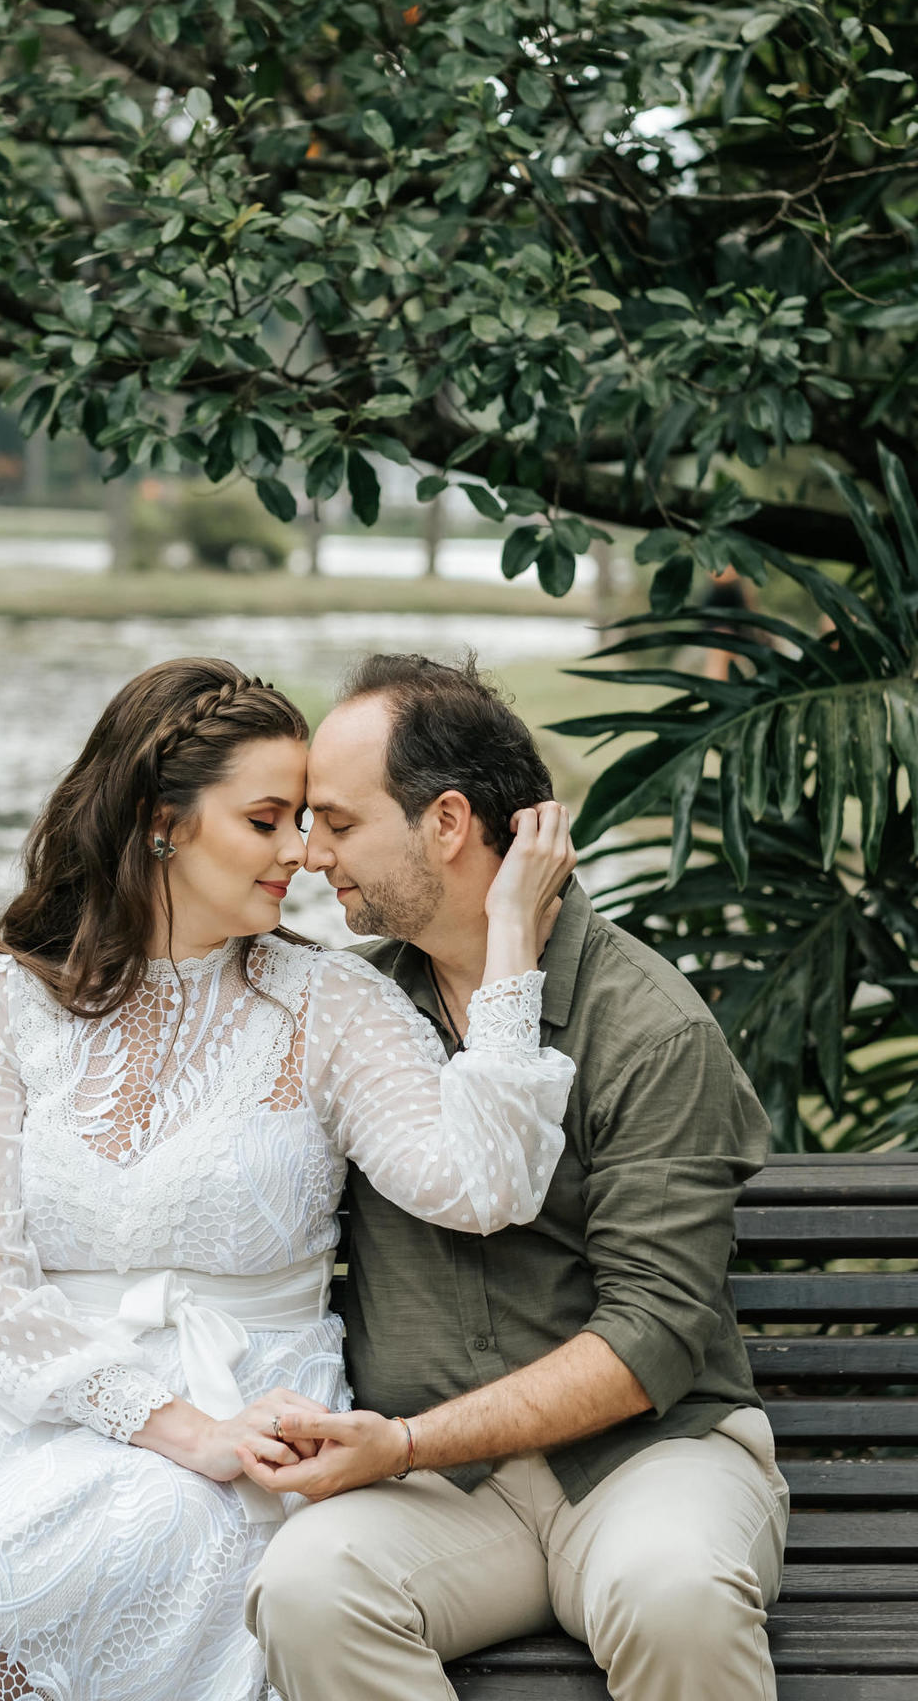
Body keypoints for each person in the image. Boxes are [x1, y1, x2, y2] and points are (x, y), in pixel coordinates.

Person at [0, 656, 576, 1701]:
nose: (302, 855)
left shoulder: (328, 1008)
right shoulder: (0, 1005)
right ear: (161, 821)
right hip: (18, 1413)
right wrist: (176, 1428)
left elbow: (486, 1186)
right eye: (266, 821)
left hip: (246, 1422)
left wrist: (510, 955)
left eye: (306, 822)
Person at [244, 652, 790, 1701]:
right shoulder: (347, 1013)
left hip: (649, 1462)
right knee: (308, 1590)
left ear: (447, 824)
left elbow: (655, 1338)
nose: (311, 856)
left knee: (677, 1592)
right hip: (445, 1497)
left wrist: (403, 1442)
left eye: (341, 825)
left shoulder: (648, 1025)